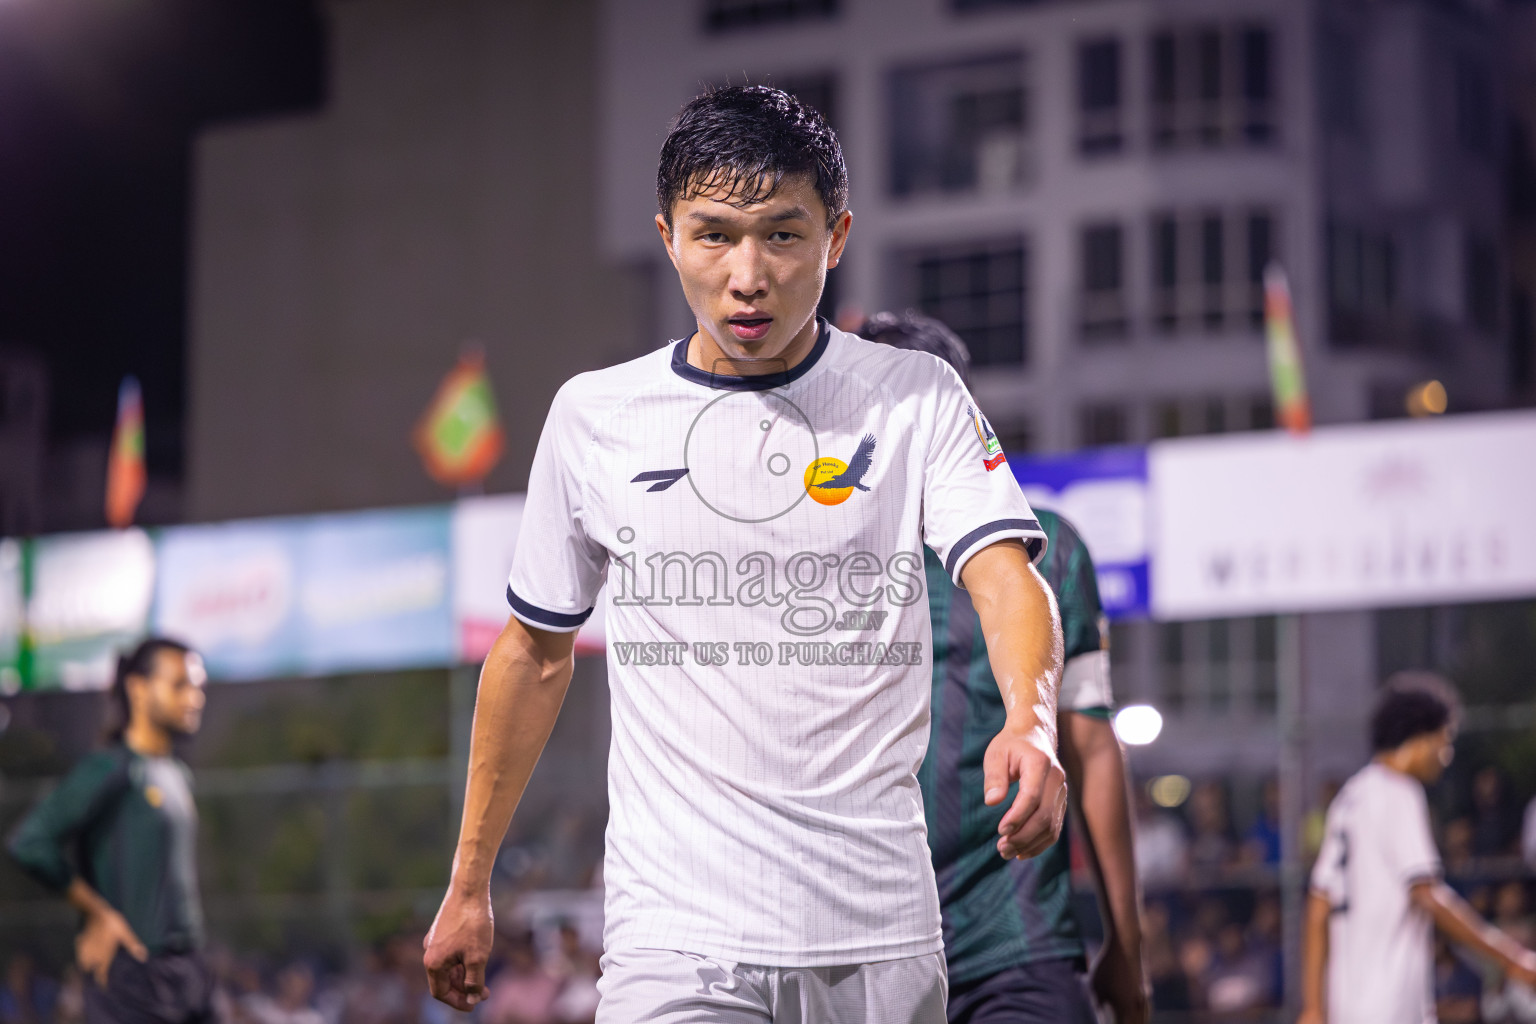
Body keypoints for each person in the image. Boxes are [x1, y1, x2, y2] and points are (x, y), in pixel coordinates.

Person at [423, 84, 1067, 1022]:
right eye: (715, 233)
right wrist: (469, 880)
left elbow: (1006, 577)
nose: (748, 273)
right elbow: (533, 652)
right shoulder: (593, 418)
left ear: (837, 237)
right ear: (667, 236)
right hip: (675, 940)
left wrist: (1032, 717)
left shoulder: (914, 395)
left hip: (877, 938)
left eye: (783, 234)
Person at [862, 310, 1149, 1024]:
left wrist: (1127, 943)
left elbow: (1088, 742)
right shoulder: (818, 559)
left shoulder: (1047, 546)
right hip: (858, 948)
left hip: (1013, 942)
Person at [1301, 672, 1536, 1024]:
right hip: (1390, 1006)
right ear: (1421, 737)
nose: (1446, 754)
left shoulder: (1351, 797)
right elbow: (1427, 895)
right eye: (1445, 739)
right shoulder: (1400, 794)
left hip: (1346, 1007)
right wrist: (1510, 958)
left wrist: (1314, 1008)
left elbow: (1318, 907)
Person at [7, 637, 213, 1024]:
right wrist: (99, 914)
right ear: (138, 689)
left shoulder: (176, 774)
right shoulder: (111, 769)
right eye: (180, 685)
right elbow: (30, 842)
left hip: (191, 973)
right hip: (133, 979)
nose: (195, 698)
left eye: (198, 687)